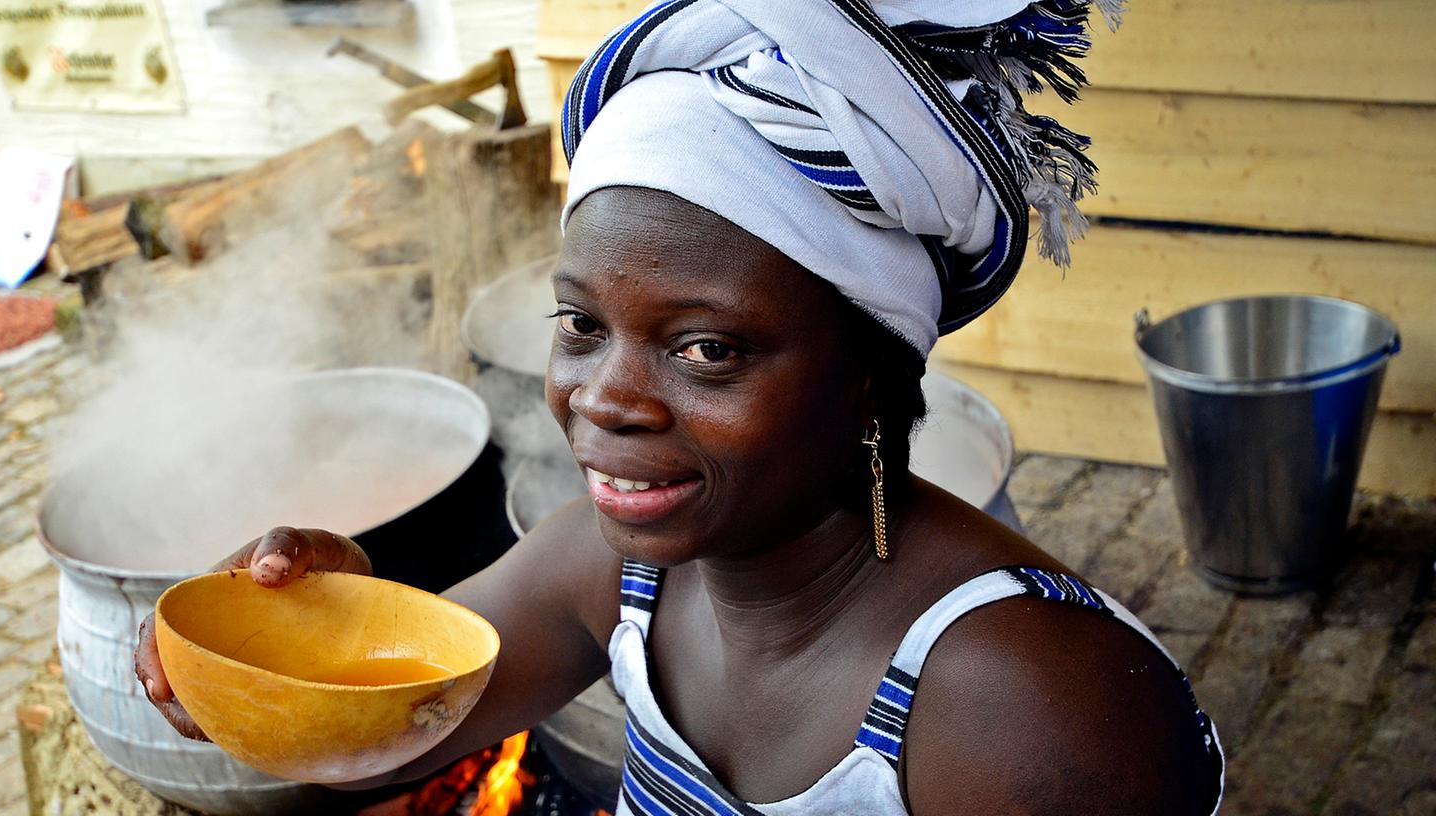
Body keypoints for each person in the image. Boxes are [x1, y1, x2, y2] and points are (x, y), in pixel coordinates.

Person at [137, 0, 1226, 812]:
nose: (603, 398)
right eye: (581, 326)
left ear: (869, 376)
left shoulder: (1022, 705)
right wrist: (285, 656)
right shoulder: (616, 573)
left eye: (705, 348)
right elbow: (386, 735)